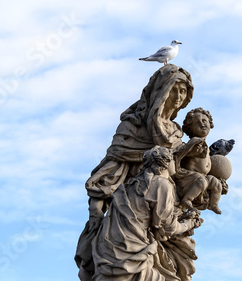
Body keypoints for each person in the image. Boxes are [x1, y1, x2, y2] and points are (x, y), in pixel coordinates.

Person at [75, 65, 199, 279]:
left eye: (183, 91)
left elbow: (180, 175)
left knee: (180, 267)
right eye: (174, 90)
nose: (179, 96)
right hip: (131, 217)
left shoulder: (176, 133)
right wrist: (96, 216)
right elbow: (103, 181)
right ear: (161, 91)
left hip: (165, 212)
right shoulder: (132, 129)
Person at [91, 146, 203, 281]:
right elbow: (167, 227)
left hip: (108, 253)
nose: (175, 163)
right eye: (173, 159)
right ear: (166, 163)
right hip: (134, 255)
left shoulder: (128, 186)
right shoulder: (162, 184)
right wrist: (188, 224)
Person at [175, 108, 223, 214]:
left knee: (216, 184)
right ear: (190, 128)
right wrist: (191, 152)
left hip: (203, 176)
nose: (202, 124)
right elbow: (182, 153)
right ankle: (187, 199)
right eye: (197, 123)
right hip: (189, 177)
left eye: (204, 121)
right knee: (202, 181)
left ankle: (213, 204)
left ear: (210, 123)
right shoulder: (194, 142)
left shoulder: (206, 145)